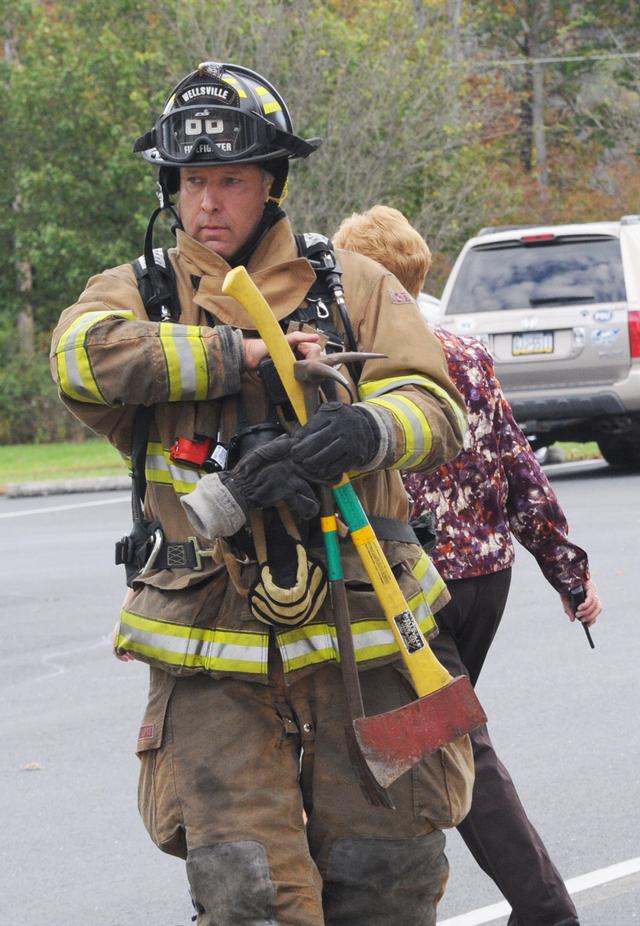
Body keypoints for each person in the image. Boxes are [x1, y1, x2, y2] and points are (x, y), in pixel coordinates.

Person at [50, 64, 474, 925]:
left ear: (272, 182)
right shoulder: (137, 292)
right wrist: (236, 354)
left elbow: (438, 407)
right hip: (212, 657)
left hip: (376, 642)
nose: (208, 201)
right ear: (170, 187)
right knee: (247, 896)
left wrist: (362, 432)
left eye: (230, 179)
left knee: (390, 880)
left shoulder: (355, 284)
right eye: (191, 180)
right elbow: (76, 358)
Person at [332, 204, 602, 926]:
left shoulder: (356, 369)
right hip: (487, 579)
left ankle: (546, 910)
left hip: (414, 587)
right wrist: (569, 575)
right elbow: (522, 473)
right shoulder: (468, 352)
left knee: (454, 750)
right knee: (413, 745)